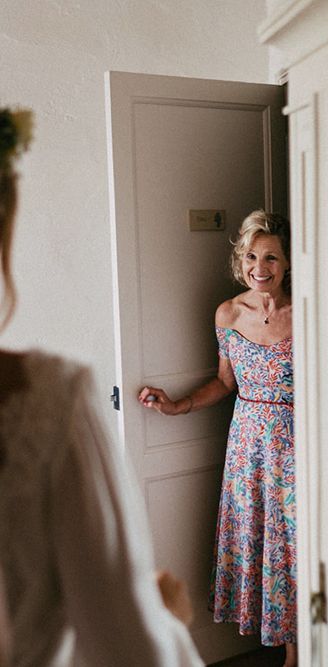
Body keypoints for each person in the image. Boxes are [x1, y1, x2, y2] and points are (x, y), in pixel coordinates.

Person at [0, 107, 203, 666]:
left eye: (271, 258)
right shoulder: (47, 398)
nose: (263, 267)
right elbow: (131, 651)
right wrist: (167, 617)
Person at [139, 210, 296, 667]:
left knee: (294, 547)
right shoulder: (227, 313)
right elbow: (226, 382)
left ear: (287, 263)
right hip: (247, 445)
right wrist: (177, 406)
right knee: (259, 541)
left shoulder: (308, 311)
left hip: (296, 443)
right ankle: (284, 649)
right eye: (251, 256)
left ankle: (298, 654)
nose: (259, 267)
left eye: (270, 257)